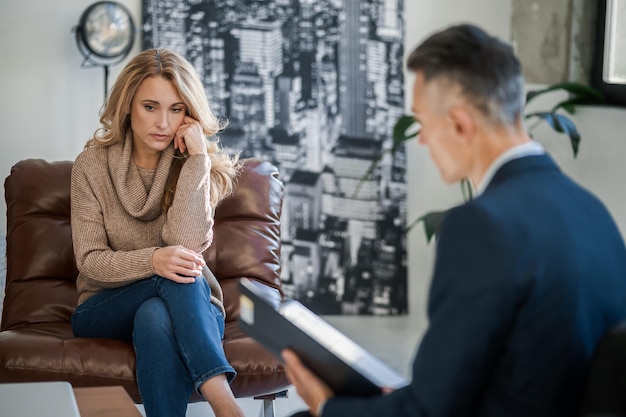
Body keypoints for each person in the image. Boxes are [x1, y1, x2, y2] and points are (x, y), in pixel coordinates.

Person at [282, 23, 626, 417]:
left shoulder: (482, 227)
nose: (423, 140)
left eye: (423, 122)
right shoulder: (593, 211)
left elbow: (429, 412)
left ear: (461, 124)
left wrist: (327, 406)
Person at [70, 48, 244, 417]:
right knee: (173, 272)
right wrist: (153, 260)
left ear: (189, 115)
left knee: (154, 313)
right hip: (103, 306)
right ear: (128, 106)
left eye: (176, 109)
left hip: (189, 308)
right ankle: (226, 406)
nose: (163, 122)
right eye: (150, 107)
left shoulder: (195, 165)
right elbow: (90, 261)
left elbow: (185, 244)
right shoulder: (90, 166)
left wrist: (197, 161)